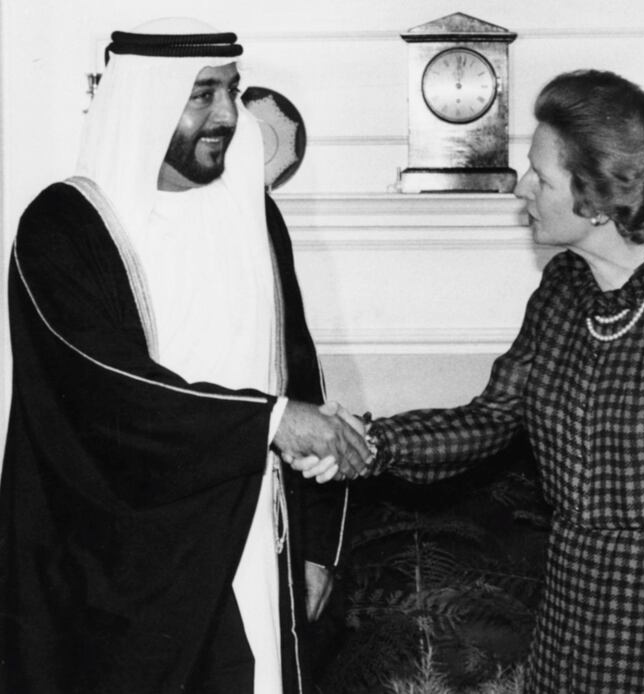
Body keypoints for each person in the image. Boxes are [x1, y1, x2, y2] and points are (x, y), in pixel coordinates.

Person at [357, 70, 644, 693]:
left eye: (542, 174)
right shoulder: (563, 289)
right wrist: (372, 444)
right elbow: (491, 417)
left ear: (595, 196)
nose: (524, 187)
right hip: (576, 611)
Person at [0, 18, 371, 694]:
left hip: (255, 543)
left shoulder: (252, 215)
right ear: (143, 101)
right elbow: (109, 396)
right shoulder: (62, 229)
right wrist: (271, 422)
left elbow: (298, 369)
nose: (227, 115)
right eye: (202, 94)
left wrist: (317, 548)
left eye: (232, 90)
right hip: (124, 573)